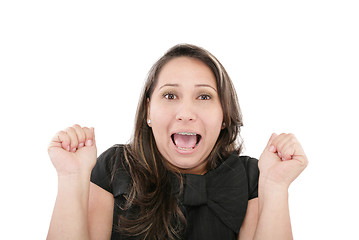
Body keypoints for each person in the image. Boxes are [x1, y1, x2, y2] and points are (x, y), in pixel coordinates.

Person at [47, 44, 308, 240]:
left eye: (204, 97)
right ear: (149, 111)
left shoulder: (252, 177)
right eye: (170, 95)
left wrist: (275, 186)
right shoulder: (115, 168)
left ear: (225, 116)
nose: (185, 112)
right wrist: (71, 178)